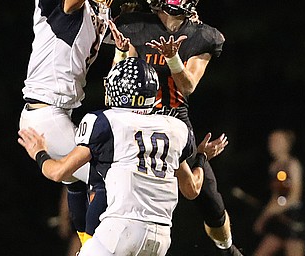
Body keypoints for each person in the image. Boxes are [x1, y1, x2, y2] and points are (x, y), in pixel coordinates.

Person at [18, 57, 204, 256]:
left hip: (122, 229)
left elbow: (57, 172)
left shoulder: (107, 122)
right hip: (161, 238)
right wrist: (201, 158)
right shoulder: (176, 129)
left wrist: (39, 152)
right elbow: (192, 189)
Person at [107, 0, 243, 254]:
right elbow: (117, 82)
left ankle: (228, 249)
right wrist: (121, 49)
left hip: (173, 122)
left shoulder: (201, 35)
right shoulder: (135, 25)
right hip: (136, 120)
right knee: (102, 181)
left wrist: (172, 58)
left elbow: (188, 86)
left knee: (204, 194)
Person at [18, 0, 112, 247]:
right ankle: (92, 249)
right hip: (45, 117)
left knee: (75, 182)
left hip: (53, 114)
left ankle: (85, 241)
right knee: (111, 180)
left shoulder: (95, 9)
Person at [253, 129, 305, 256]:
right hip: (278, 220)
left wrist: (271, 212)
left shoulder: (293, 164)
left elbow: (294, 197)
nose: (272, 144)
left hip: (293, 220)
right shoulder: (273, 167)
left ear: (287, 144)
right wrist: (263, 218)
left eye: (277, 140)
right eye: (271, 140)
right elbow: (276, 197)